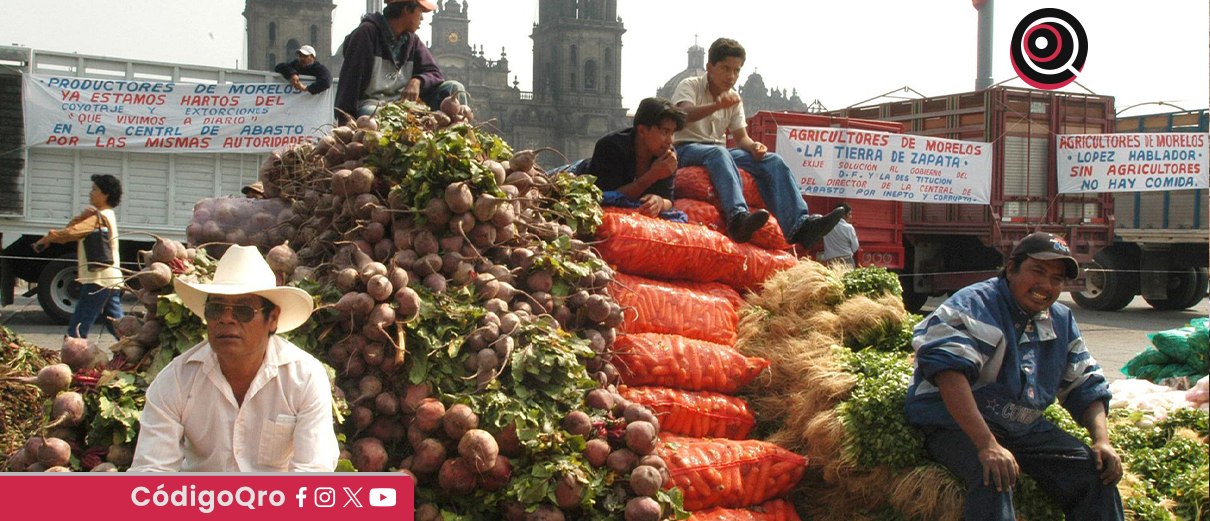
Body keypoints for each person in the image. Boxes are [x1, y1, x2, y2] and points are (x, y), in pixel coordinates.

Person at [904, 232, 1123, 521]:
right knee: (993, 475)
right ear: (1011, 269)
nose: (1046, 286)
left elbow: (1084, 382)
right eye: (1038, 272)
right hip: (953, 422)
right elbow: (949, 373)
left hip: (1022, 426)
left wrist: (1102, 441)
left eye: (1056, 279)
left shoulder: (1061, 319)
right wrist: (987, 445)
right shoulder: (976, 304)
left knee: (1093, 472)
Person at [129, 245, 339, 472]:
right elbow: (150, 472)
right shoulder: (176, 380)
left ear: (273, 319)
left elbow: (313, 474)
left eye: (243, 311)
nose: (226, 319)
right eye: (216, 309)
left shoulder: (304, 377)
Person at [671, 38, 845, 248]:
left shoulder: (733, 98)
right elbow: (684, 114)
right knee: (720, 154)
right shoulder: (689, 85)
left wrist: (753, 146)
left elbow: (741, 137)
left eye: (736, 71)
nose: (731, 76)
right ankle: (737, 217)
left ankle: (800, 226)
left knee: (773, 161)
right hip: (686, 148)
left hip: (718, 151)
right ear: (709, 67)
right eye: (726, 69)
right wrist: (715, 106)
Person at [334, 0, 468, 123]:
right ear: (406, 9)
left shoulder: (412, 41)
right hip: (374, 106)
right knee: (379, 115)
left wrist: (417, 81)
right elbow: (349, 85)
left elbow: (435, 73)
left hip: (405, 105)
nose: (422, 18)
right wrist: (345, 122)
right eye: (420, 11)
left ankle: (459, 133)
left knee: (454, 88)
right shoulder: (366, 34)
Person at [33, 174, 124, 339]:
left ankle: (71, 359)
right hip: (111, 280)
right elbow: (74, 230)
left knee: (77, 328)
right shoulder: (105, 215)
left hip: (98, 280)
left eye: (94, 189)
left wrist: (48, 238)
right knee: (119, 327)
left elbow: (71, 232)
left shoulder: (100, 217)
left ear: (105, 195)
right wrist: (82, 217)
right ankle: (138, 354)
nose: (90, 193)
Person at [587, 97, 686, 217]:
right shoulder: (610, 147)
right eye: (665, 131)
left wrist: (659, 202)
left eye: (672, 133)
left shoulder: (667, 155)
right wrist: (652, 176)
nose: (670, 140)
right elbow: (606, 198)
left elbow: (668, 199)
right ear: (642, 130)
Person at [820, 202, 859, 267]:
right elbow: (855, 247)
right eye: (849, 214)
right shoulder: (849, 228)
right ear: (843, 215)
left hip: (831, 262)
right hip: (846, 261)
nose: (851, 217)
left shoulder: (826, 226)